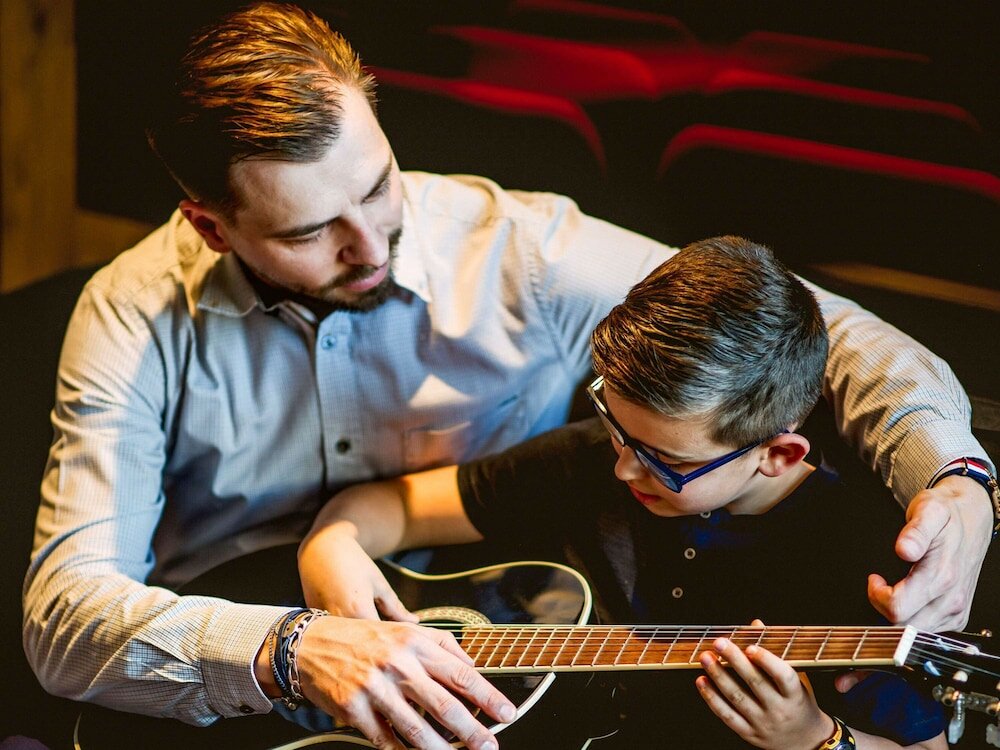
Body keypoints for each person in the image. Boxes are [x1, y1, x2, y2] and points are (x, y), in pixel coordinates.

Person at [20, 2, 994, 749]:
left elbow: (821, 329)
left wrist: (958, 479)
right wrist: (288, 647)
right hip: (230, 679)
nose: (372, 245)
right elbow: (63, 619)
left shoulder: (521, 250)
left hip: (479, 647)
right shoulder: (130, 312)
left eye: (376, 186)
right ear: (210, 225)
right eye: (313, 231)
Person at [298, 237, 948, 749]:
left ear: (777, 455)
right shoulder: (585, 459)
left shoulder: (859, 565)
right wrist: (333, 548)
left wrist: (812, 738)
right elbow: (380, 512)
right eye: (617, 430)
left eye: (665, 462)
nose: (623, 472)